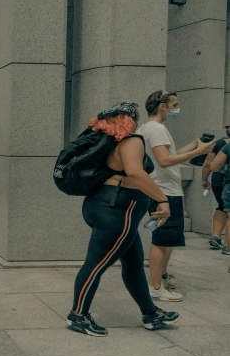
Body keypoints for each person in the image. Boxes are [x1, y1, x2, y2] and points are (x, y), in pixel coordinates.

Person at [67, 102, 181, 336]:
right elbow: (136, 173)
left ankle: (150, 313)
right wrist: (163, 200)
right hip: (118, 211)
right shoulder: (132, 141)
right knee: (96, 264)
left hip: (102, 204)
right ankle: (78, 315)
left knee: (133, 261)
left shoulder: (106, 143)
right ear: (131, 120)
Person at [137, 90, 214, 302]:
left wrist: (193, 145)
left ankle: (160, 278)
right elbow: (164, 161)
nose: (176, 109)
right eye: (174, 105)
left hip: (161, 190)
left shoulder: (146, 128)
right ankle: (155, 288)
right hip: (165, 192)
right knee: (161, 241)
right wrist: (198, 152)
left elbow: (169, 155)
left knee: (166, 239)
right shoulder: (158, 129)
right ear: (163, 106)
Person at [203, 125, 230, 253]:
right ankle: (227, 244)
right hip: (226, 181)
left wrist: (204, 179)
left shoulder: (219, 143)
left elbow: (209, 163)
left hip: (218, 180)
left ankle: (216, 236)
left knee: (221, 206)